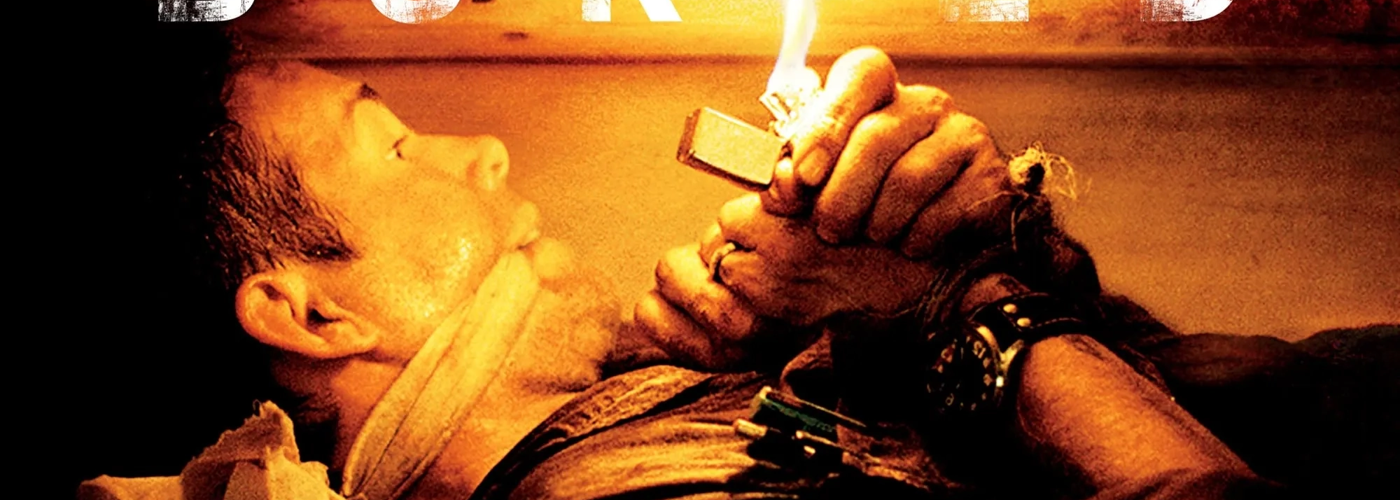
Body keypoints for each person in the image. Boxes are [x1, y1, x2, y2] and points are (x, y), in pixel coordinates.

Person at [77, 25, 1391, 500]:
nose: (481, 149)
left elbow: (1199, 389)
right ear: (309, 313)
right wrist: (969, 308)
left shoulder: (654, 400)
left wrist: (977, 259)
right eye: (400, 143)